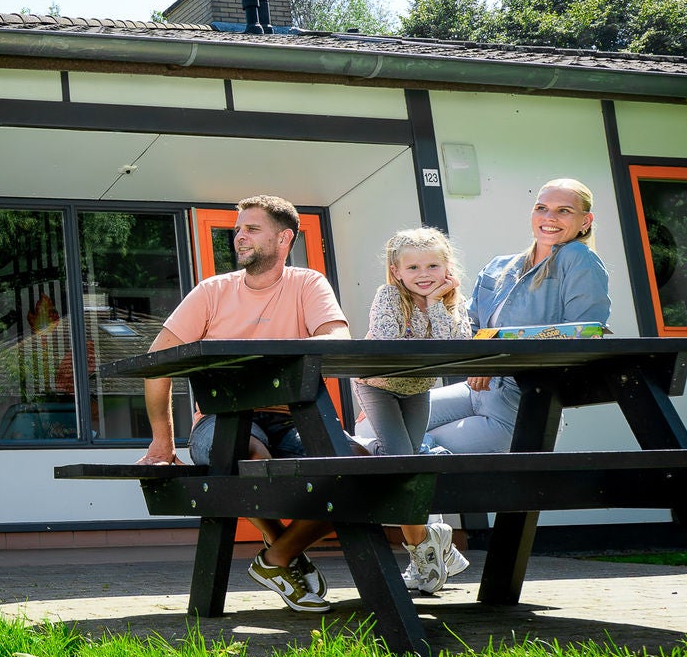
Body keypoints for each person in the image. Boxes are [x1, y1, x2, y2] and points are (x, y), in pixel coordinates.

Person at [137, 195, 349, 613]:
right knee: (250, 459)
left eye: (252, 228)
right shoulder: (212, 292)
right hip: (222, 421)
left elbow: (337, 339)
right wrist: (163, 444)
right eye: (238, 229)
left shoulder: (307, 283)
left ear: (284, 238)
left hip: (293, 420)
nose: (239, 236)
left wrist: (269, 362)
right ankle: (280, 548)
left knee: (358, 470)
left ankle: (277, 558)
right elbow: (155, 364)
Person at [421, 178, 611, 456]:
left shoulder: (578, 257)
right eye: (542, 207)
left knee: (408, 444)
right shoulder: (499, 266)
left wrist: (497, 359)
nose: (549, 217)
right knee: (376, 423)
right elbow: (470, 326)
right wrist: (437, 303)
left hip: (520, 402)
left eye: (564, 211)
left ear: (586, 220)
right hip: (476, 390)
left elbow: (584, 334)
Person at [353, 227, 471, 595]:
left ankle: (430, 549)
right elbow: (390, 345)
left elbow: (457, 348)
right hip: (378, 385)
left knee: (410, 465)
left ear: (447, 267)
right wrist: (430, 324)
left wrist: (437, 302)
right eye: (414, 266)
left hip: (418, 389)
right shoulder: (388, 296)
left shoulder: (451, 302)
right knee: (400, 461)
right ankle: (426, 549)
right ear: (397, 272)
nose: (424, 274)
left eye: (433, 265)